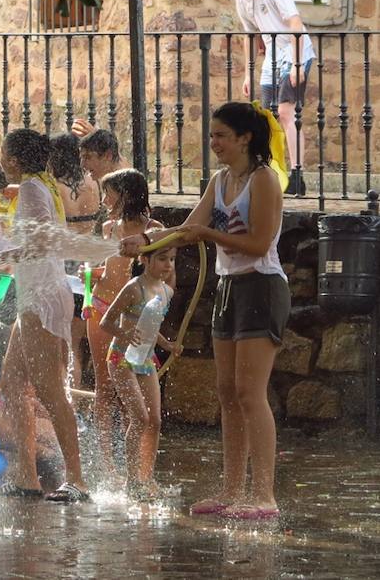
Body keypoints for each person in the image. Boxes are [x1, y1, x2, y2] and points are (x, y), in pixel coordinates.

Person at [120, 101, 289, 520]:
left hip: (262, 286)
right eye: (212, 135)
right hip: (229, 286)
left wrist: (207, 233)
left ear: (245, 138)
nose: (213, 143)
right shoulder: (219, 180)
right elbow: (184, 230)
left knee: (251, 393)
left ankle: (264, 496)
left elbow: (258, 244)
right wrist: (145, 243)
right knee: (227, 393)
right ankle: (232, 492)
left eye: (220, 136)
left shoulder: (264, 180)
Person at [0, 128, 90, 503]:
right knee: (16, 382)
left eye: (4, 153)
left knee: (50, 392)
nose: (0, 159)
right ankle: (27, 477)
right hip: (37, 295)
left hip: (42, 298)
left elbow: (36, 244)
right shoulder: (39, 185)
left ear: (15, 160)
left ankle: (78, 481)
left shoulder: (35, 189)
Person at [84, 168, 163, 484]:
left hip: (134, 318)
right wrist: (92, 274)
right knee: (104, 387)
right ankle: (108, 465)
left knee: (143, 404)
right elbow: (110, 267)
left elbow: (163, 276)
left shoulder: (154, 230)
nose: (103, 201)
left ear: (127, 195)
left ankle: (143, 472)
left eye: (108, 193)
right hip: (102, 307)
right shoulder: (108, 227)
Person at [210, 0, 314, 196]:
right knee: (266, 118)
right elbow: (250, 37)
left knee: (287, 113)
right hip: (272, 57)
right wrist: (248, 73)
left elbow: (295, 22)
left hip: (294, 51)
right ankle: (269, 170)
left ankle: (297, 174)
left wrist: (297, 64)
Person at [99, 246, 180, 501]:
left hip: (146, 358)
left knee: (154, 420)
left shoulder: (166, 292)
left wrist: (167, 344)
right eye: (162, 259)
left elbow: (150, 324)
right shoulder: (134, 287)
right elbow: (106, 322)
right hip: (121, 358)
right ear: (145, 260)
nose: (168, 265)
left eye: (172, 260)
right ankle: (132, 482)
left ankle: (147, 477)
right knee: (140, 418)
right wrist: (124, 333)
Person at [49, 132, 100, 386]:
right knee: (77, 346)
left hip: (66, 271)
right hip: (88, 269)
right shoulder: (94, 184)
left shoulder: (56, 188)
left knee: (64, 348)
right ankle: (77, 411)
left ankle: (66, 409)